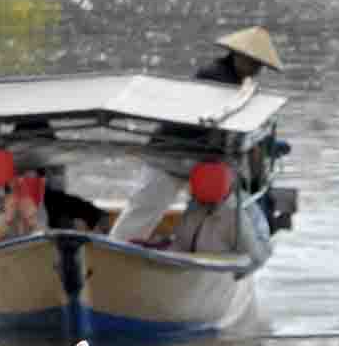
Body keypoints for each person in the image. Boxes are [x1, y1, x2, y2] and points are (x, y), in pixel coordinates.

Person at [111, 28, 284, 250]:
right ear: (236, 55)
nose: (255, 68)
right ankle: (115, 251)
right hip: (171, 154)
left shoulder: (240, 83)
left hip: (199, 159)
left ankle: (194, 247)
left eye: (258, 65)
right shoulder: (215, 77)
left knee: (213, 207)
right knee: (144, 210)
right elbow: (217, 121)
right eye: (251, 62)